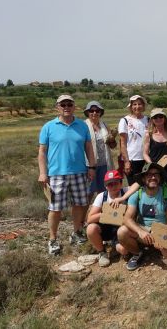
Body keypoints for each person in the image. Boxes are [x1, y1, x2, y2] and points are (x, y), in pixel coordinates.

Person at [38, 94, 96, 255]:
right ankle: (53, 239)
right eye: (63, 104)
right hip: (56, 174)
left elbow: (89, 148)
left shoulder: (82, 126)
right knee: (55, 209)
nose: (66, 107)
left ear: (74, 106)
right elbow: (42, 152)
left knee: (80, 204)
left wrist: (92, 167)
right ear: (57, 107)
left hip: (79, 172)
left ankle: (76, 233)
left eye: (69, 104)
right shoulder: (48, 127)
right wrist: (43, 173)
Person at [117, 163, 167, 271]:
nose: (153, 177)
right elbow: (127, 219)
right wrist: (140, 232)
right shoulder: (137, 195)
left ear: (160, 178)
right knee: (122, 232)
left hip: (162, 230)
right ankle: (138, 253)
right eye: (149, 175)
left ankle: (159, 249)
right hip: (143, 230)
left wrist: (162, 238)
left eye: (156, 174)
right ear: (143, 178)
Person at [86, 170, 128, 267]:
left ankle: (115, 245)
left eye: (116, 183)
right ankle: (102, 252)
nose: (113, 186)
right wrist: (108, 212)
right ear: (106, 186)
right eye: (110, 184)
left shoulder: (126, 191)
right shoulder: (102, 196)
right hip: (106, 227)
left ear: (121, 183)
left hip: (121, 228)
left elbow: (138, 185)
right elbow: (90, 219)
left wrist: (121, 199)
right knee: (91, 229)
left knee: (124, 250)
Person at [83, 101, 117, 197]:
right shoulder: (83, 126)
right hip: (89, 164)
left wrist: (112, 140)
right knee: (89, 192)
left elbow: (112, 146)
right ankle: (86, 211)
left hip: (104, 163)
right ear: (87, 113)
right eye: (91, 111)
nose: (94, 113)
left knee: (103, 191)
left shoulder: (104, 126)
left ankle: (102, 210)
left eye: (97, 110)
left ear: (100, 112)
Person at [118, 95, 149, 185]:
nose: (137, 107)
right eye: (134, 104)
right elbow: (123, 143)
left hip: (146, 159)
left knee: (145, 186)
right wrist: (126, 161)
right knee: (133, 188)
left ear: (143, 106)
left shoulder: (148, 119)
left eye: (139, 104)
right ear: (131, 107)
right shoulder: (125, 121)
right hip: (132, 159)